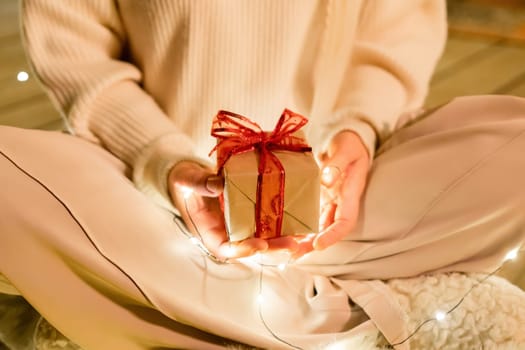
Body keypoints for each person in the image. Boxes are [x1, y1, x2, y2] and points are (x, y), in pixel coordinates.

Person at [1, 0, 524, 349]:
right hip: (150, 196)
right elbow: (81, 66)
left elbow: (395, 40)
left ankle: (191, 306)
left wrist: (359, 132)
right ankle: (314, 314)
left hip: (352, 196)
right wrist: (166, 163)